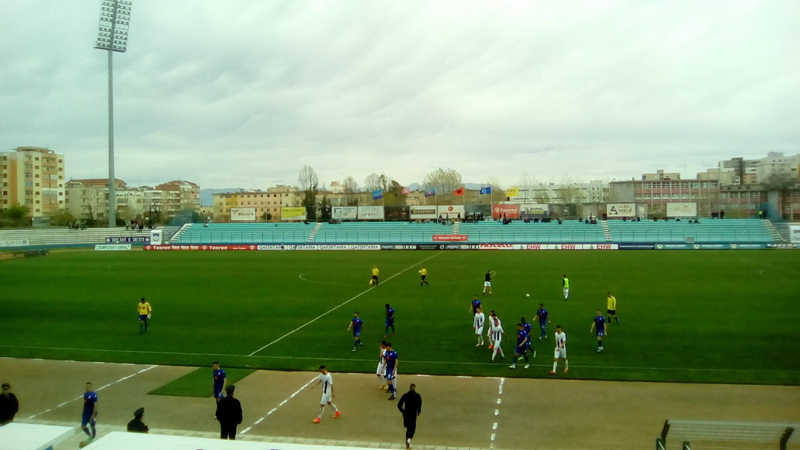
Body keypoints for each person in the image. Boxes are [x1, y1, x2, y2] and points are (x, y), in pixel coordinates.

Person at [397, 384, 422, 449]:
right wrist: (418, 411)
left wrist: (402, 411)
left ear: (409, 388)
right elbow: (419, 404)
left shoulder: (405, 395)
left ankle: (407, 442)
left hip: (406, 413)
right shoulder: (417, 396)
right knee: (413, 428)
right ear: (414, 388)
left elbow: (399, 404)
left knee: (408, 428)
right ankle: (409, 440)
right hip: (413, 414)